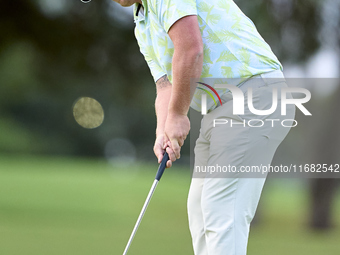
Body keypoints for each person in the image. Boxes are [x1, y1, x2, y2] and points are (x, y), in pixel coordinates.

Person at [112, 0, 295, 254]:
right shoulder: (141, 22)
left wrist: (178, 115)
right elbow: (165, 85)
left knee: (222, 208)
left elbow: (190, 50)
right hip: (220, 109)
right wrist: (163, 130)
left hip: (254, 94)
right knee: (199, 209)